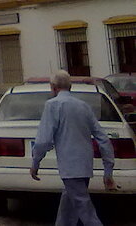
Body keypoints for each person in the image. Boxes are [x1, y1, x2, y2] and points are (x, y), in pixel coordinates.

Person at [30, 70, 116, 226]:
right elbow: (103, 138)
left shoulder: (52, 105)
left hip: (70, 168)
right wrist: (108, 169)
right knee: (68, 208)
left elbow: (43, 141)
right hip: (84, 165)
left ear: (53, 87)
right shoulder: (83, 106)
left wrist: (35, 162)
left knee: (85, 209)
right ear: (70, 86)